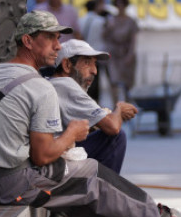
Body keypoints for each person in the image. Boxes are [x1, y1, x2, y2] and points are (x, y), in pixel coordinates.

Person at [0, 10, 181, 217]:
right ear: (28, 41)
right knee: (91, 171)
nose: (58, 46)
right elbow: (43, 156)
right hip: (17, 187)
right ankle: (153, 214)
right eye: (50, 38)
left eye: (58, 39)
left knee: (77, 171)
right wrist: (71, 134)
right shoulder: (40, 88)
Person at [50, 39, 138, 174]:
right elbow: (112, 127)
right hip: (56, 157)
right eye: (87, 63)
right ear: (67, 65)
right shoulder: (66, 85)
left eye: (95, 64)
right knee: (116, 138)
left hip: (55, 150)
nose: (94, 71)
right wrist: (119, 108)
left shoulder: (55, 84)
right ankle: (107, 189)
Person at [104, 0, 139, 102]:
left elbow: (133, 40)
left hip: (126, 52)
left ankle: (127, 106)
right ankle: (116, 105)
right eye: (118, 5)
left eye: (122, 5)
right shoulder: (111, 20)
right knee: (114, 81)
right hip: (114, 54)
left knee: (127, 82)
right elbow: (104, 36)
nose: (120, 7)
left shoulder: (131, 21)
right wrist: (109, 28)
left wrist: (130, 54)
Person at [79, 0, 110, 102]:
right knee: (97, 82)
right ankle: (96, 103)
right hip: (98, 54)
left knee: (86, 80)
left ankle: (87, 101)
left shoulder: (81, 20)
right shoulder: (101, 21)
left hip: (84, 54)